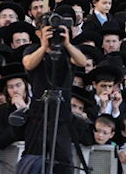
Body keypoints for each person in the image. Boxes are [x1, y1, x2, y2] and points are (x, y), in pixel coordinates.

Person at [21, 12, 87, 174]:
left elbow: (82, 61)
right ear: (38, 33)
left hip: (62, 117)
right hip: (38, 116)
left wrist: (67, 43)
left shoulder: (67, 51)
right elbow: (28, 64)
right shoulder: (33, 49)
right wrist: (44, 47)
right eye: (48, 30)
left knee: (64, 162)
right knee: (32, 162)